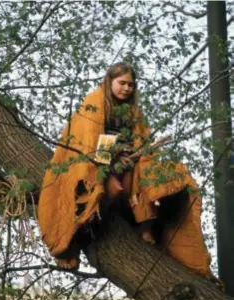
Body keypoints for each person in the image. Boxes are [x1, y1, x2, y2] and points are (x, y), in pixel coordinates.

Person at [38, 62, 212, 277]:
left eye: (131, 84)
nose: (127, 88)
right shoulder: (95, 101)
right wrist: (105, 169)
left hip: (127, 161)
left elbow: (141, 140)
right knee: (111, 190)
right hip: (99, 162)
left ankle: (143, 227)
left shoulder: (133, 111)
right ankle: (75, 240)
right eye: (122, 83)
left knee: (141, 188)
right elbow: (88, 139)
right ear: (109, 81)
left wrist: (139, 153)